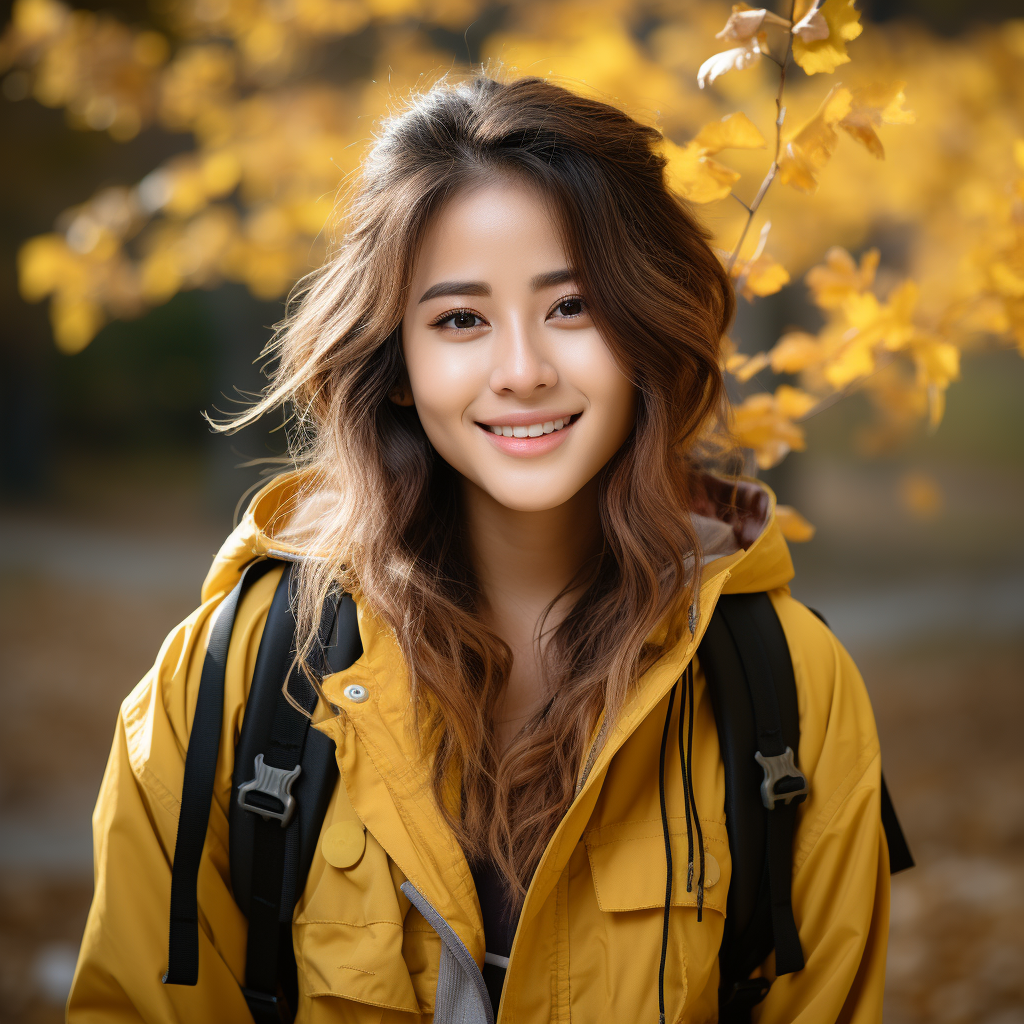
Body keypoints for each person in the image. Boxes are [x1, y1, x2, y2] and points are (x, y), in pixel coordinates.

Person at [68, 74, 889, 1023]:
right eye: (461, 319)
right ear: (399, 364)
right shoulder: (231, 682)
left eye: (572, 307)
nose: (523, 371)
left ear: (645, 333)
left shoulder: (791, 687)